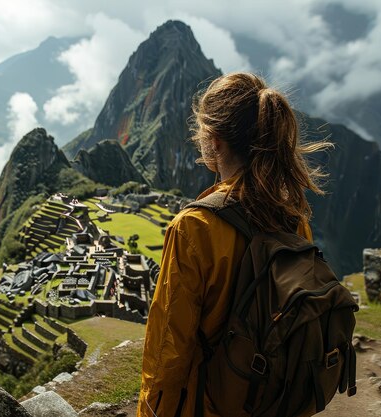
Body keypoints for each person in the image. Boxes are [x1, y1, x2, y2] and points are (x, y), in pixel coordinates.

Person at [137, 72, 331, 417]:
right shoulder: (293, 219)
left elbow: (168, 352)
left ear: (214, 141)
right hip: (274, 400)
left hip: (212, 404)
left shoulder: (194, 228)